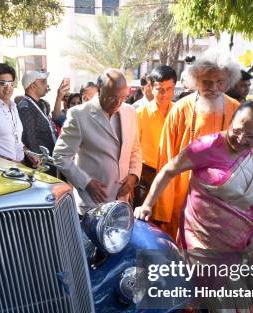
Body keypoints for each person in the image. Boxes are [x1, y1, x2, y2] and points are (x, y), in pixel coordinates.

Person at [135, 100, 253, 313]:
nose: (242, 139)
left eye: (252, 136)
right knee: (220, 298)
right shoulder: (207, 146)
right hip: (201, 234)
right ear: (231, 121)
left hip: (238, 243)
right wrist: (147, 205)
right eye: (237, 130)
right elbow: (168, 171)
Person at [154, 48, 241, 239]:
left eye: (220, 82)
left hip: (222, 199)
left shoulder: (237, 109)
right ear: (196, 81)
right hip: (183, 197)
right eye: (207, 82)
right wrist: (163, 208)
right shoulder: (180, 109)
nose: (214, 87)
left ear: (228, 81)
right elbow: (167, 158)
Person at [53, 69, 142, 214]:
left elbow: (135, 148)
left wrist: (133, 175)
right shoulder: (79, 114)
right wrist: (86, 182)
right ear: (99, 91)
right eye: (113, 97)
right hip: (92, 204)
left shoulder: (130, 112)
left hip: (122, 204)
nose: (118, 103)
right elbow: (60, 156)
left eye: (123, 98)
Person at [134, 65, 177, 208]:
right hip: (147, 175)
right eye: (160, 90)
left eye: (169, 89)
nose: (165, 94)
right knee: (144, 217)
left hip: (173, 174)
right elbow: (133, 148)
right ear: (151, 88)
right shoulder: (140, 114)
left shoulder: (179, 112)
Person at [17, 70, 59, 174]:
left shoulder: (41, 104)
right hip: (40, 166)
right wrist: (37, 160)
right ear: (33, 86)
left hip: (50, 160)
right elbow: (29, 136)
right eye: (43, 82)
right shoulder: (25, 107)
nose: (46, 85)